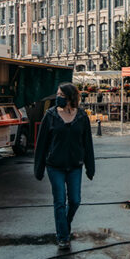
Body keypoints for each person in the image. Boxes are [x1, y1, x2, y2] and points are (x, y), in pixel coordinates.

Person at [33, 82, 95, 250]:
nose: (57, 98)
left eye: (61, 95)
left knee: (75, 200)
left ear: (70, 98)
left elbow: (87, 143)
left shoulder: (81, 117)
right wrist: (38, 168)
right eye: (57, 94)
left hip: (75, 165)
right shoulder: (51, 115)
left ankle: (64, 225)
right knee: (59, 201)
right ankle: (62, 237)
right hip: (55, 166)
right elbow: (42, 143)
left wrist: (90, 167)